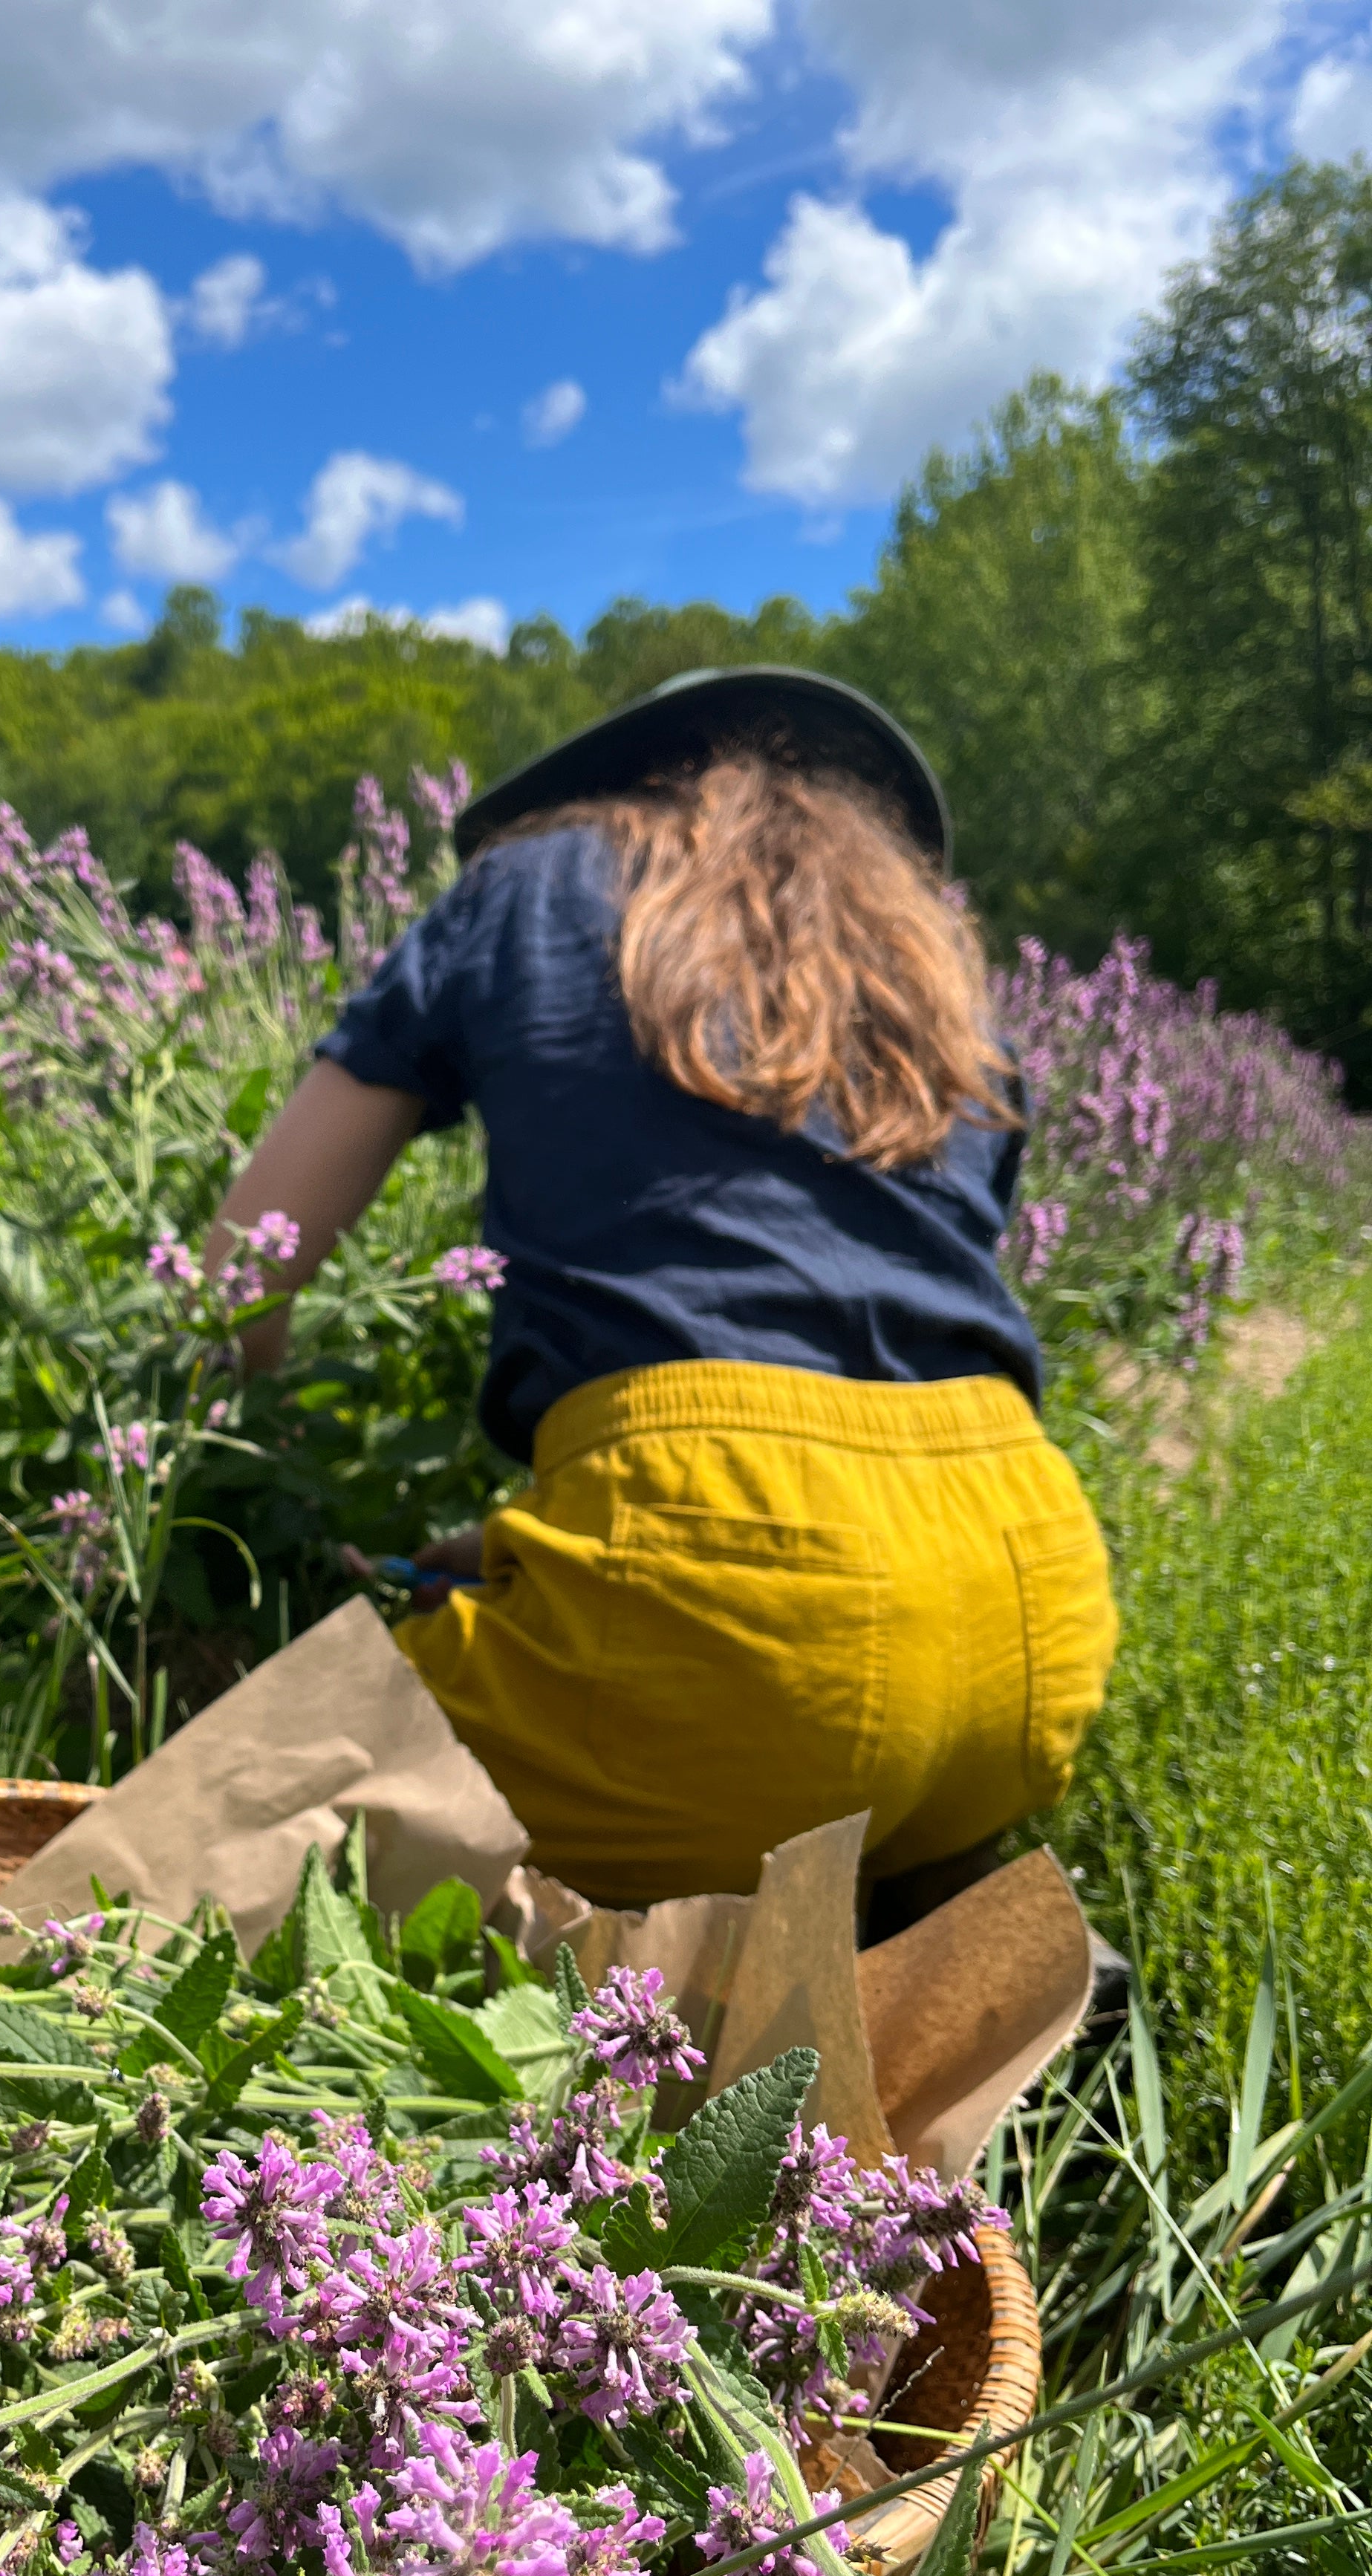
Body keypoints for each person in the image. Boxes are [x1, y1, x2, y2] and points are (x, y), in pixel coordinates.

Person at [203, 666, 1117, 1920]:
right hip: (1026, 1611)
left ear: (603, 791)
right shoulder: (935, 982)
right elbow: (854, 1355)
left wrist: (249, 1488)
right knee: (788, 1795)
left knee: (200, 1865)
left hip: (724, 1631)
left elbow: (245, 1264)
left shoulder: (525, 888)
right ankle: (899, 1925)